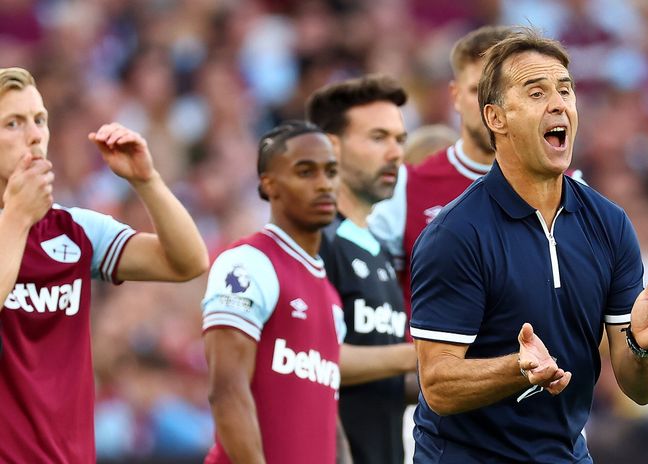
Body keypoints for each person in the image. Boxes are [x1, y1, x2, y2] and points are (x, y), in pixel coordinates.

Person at [409, 29, 648, 463]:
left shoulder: (609, 224)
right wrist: (516, 369)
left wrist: (644, 347)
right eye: (536, 93)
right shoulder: (456, 233)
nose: (559, 104)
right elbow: (438, 385)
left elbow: (640, 390)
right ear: (496, 118)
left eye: (565, 90)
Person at [0, 67, 208, 463]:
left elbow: (188, 261)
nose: (35, 135)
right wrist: (16, 217)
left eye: (39, 120)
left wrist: (147, 182)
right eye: (13, 123)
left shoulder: (75, 229)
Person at [201, 121, 346, 464]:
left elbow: (327, 416)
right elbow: (227, 392)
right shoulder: (248, 263)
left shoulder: (330, 294)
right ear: (269, 184)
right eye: (306, 172)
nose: (324, 184)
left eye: (331, 171)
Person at [307, 75, 418, 464]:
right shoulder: (317, 242)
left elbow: (383, 378)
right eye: (378, 138)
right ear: (332, 146)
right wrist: (423, 355)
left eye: (400, 140)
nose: (395, 153)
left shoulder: (379, 250)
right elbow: (312, 360)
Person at [369, 26, 513, 313]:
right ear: (455, 95)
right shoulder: (405, 186)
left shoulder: (570, 192)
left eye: (503, 91)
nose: (489, 106)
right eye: (477, 90)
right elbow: (370, 303)